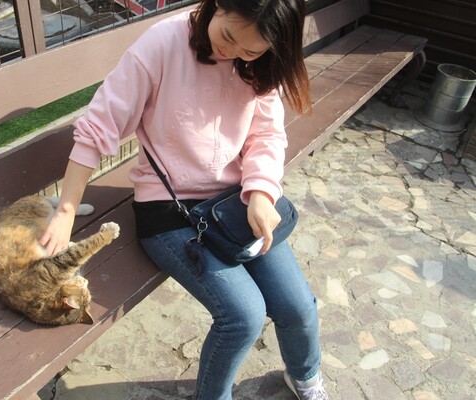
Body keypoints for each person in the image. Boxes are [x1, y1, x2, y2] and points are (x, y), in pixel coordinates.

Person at [40, 0, 327, 399]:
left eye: (251, 51)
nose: (233, 54)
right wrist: (67, 210)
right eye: (228, 37)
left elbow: (267, 134)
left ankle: (306, 378)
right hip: (169, 209)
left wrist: (261, 192)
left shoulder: (259, 60)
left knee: (296, 305)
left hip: (235, 202)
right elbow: (98, 126)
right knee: (243, 316)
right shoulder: (162, 44)